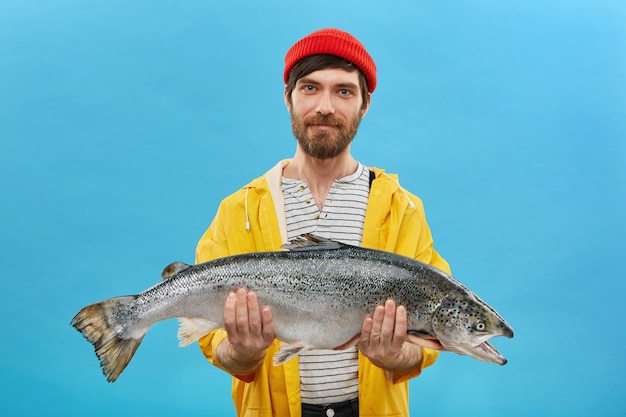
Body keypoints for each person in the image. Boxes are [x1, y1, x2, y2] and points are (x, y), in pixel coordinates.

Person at [195, 28, 451, 417]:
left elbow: (423, 347)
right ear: (288, 98)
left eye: (344, 91)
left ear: (365, 105)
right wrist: (242, 351)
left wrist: (395, 354)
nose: (326, 106)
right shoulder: (239, 209)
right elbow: (220, 350)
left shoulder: (403, 209)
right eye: (310, 88)